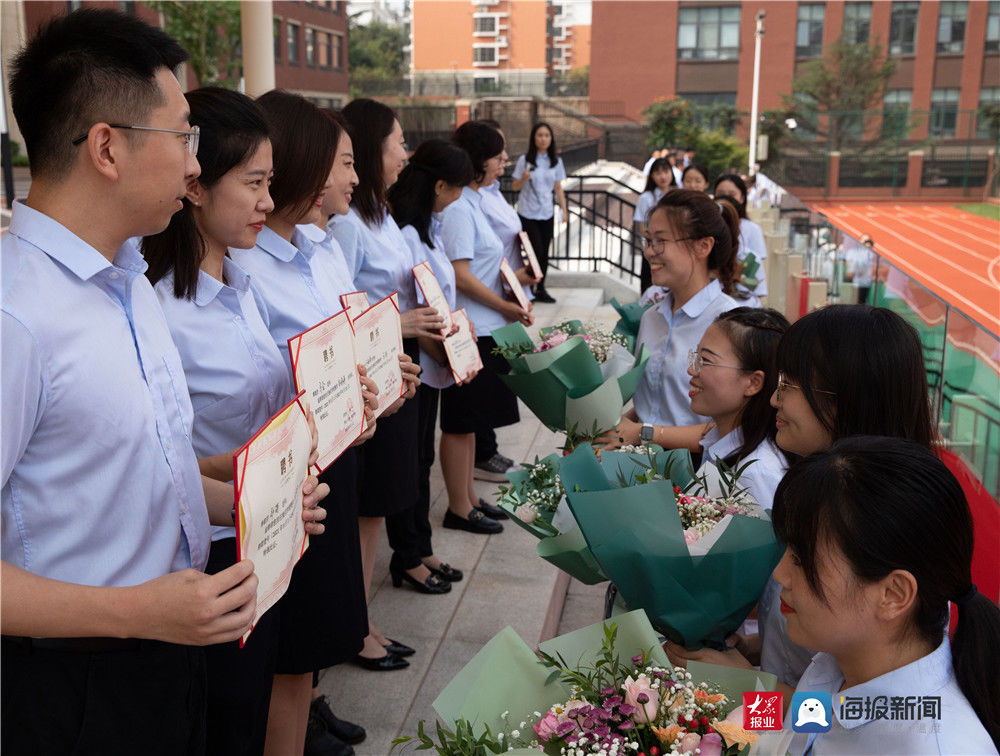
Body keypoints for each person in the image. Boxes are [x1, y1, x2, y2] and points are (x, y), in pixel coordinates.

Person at [1, 10, 326, 753]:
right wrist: (137, 611)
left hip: (167, 656)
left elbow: (154, 470)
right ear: (107, 148)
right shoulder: (15, 318)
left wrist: (252, 503)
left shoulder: (129, 282)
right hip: (74, 689)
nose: (193, 164)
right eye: (184, 137)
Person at [227, 91, 388, 755]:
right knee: (284, 650)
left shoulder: (314, 250)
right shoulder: (241, 267)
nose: (349, 177)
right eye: (338, 163)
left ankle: (307, 715)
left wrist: (370, 381)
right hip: (273, 481)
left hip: (325, 459)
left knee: (308, 639)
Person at [666, 305, 937, 697]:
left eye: (789, 385)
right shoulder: (824, 495)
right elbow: (815, 661)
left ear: (843, 398)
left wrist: (748, 686)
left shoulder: (878, 530)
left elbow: (837, 726)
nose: (775, 400)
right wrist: (751, 651)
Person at [141, 86, 290, 756]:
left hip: (268, 535)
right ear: (196, 186)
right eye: (254, 183)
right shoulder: (157, 312)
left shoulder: (240, 284)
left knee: (251, 707)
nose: (267, 202)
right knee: (224, 719)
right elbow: (158, 458)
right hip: (208, 561)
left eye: (271, 183)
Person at [753, 437, 999, 755]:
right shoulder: (840, 661)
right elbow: (805, 729)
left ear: (893, 594)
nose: (779, 574)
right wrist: (715, 710)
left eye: (803, 561)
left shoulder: (937, 747)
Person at [330, 98, 446, 668]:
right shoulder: (346, 226)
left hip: (393, 363)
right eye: (397, 143)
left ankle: (362, 618)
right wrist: (399, 323)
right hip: (370, 365)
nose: (405, 154)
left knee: (378, 503)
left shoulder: (379, 214)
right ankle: (356, 626)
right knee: (365, 503)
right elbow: (341, 309)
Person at [387, 139, 480, 591]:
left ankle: (420, 549)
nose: (461, 196)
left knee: (421, 458)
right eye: (458, 187)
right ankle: (409, 554)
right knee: (412, 463)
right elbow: (414, 305)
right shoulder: (406, 233)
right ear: (439, 185)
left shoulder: (428, 230)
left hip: (434, 356)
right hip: (416, 358)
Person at [443, 120, 536, 533]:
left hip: (487, 324)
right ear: (479, 160)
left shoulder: (476, 201)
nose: (505, 163)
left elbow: (485, 264)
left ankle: (470, 498)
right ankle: (458, 506)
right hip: (471, 328)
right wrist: (504, 303)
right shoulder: (460, 208)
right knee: (461, 422)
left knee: (473, 425)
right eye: (498, 156)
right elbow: (461, 276)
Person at [600, 189, 740, 451]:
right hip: (640, 463)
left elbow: (732, 429)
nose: (650, 252)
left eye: (660, 241)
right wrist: (613, 430)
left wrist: (644, 433)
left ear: (703, 246)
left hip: (693, 475)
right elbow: (653, 405)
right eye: (648, 240)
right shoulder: (652, 317)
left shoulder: (729, 322)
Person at [473, 118, 536, 483]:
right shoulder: (471, 202)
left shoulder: (493, 192)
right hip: (494, 299)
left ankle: (488, 449)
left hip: (508, 294)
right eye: (499, 155)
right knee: (483, 386)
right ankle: (484, 453)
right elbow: (476, 263)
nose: (506, 160)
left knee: (497, 381)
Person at [687, 307, 791, 509]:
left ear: (753, 382)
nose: (691, 369)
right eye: (695, 357)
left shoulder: (756, 473)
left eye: (706, 361)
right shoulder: (719, 441)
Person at [511, 121, 568, 303]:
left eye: (547, 135)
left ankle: (540, 288)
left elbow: (558, 188)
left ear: (551, 139)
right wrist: (523, 178)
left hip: (547, 212)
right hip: (528, 212)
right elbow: (514, 186)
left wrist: (564, 211)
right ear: (534, 138)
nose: (543, 139)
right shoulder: (525, 160)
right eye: (540, 135)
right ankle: (530, 286)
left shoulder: (556, 161)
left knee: (544, 253)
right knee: (535, 250)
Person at [714, 173, 768, 306]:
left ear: (742, 197)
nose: (725, 197)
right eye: (721, 193)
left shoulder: (750, 255)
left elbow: (756, 289)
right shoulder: (704, 255)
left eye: (731, 194)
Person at [635, 157, 677, 294]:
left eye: (666, 171)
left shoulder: (678, 194)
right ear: (652, 176)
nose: (663, 176)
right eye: (658, 173)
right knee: (651, 287)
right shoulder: (646, 198)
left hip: (675, 248)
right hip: (653, 249)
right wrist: (658, 239)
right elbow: (642, 227)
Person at [843, 233, 875, 304]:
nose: (864, 243)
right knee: (851, 302)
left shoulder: (869, 252)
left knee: (861, 302)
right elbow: (849, 265)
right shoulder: (852, 252)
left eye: (867, 241)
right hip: (854, 282)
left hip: (865, 283)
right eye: (863, 240)